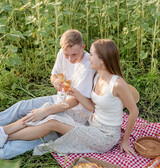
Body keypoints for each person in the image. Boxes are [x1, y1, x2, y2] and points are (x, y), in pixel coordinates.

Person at [0, 39, 139, 157]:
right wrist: (76, 93)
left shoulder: (118, 83)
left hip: (104, 137)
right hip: (91, 122)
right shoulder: (97, 76)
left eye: (91, 54)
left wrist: (125, 140)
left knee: (53, 122)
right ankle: (4, 132)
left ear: (102, 60)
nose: (88, 57)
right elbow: (92, 108)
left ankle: (5, 134)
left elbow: (134, 112)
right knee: (48, 108)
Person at [0, 29, 95, 159]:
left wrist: (45, 111)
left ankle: (3, 150)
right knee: (22, 106)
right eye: (67, 54)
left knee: (37, 130)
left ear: (83, 47)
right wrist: (55, 81)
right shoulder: (63, 53)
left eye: (74, 55)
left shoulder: (87, 66)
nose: (70, 59)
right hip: (59, 99)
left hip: (74, 111)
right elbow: (54, 75)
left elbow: (75, 101)